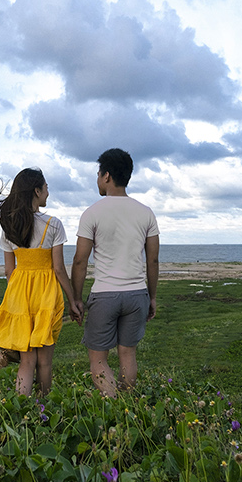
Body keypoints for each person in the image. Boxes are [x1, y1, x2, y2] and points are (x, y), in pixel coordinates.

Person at [0, 168, 81, 396]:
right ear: (36, 190)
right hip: (46, 294)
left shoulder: (9, 225)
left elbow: (8, 270)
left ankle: (22, 408)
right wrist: (73, 300)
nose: (48, 193)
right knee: (44, 361)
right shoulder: (53, 224)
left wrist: (15, 297)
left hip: (19, 293)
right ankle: (44, 405)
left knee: (26, 362)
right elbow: (58, 268)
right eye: (46, 188)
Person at [71, 148, 159, 397]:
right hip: (136, 294)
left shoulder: (92, 213)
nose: (98, 179)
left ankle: (114, 404)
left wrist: (76, 299)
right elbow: (152, 259)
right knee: (128, 354)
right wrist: (152, 297)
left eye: (98, 174)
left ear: (107, 176)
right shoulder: (146, 212)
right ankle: (127, 405)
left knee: (98, 360)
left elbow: (80, 261)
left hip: (105, 295)